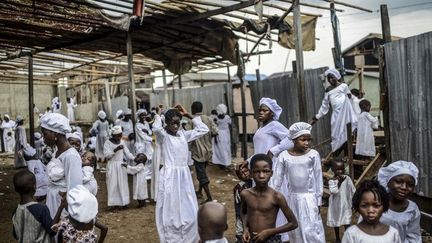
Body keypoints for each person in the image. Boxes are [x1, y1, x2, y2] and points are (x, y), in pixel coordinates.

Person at [154, 104, 209, 243]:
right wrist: (159, 114)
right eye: (173, 123)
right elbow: (156, 128)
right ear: (166, 123)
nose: (176, 125)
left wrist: (188, 115)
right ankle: (171, 237)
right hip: (169, 177)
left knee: (187, 206)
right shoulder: (163, 137)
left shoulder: (184, 135)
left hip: (184, 178)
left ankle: (188, 237)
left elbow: (203, 129)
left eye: (178, 122)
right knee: (170, 209)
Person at [273, 122, 325, 243]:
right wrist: (272, 195)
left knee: (312, 229)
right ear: (294, 139)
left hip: (310, 197)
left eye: (309, 140)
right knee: (296, 229)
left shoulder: (313, 155)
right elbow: (277, 179)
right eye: (303, 140)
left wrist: (318, 199)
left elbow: (318, 178)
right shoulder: (284, 156)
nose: (307, 143)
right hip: (293, 199)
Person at [252, 97, 293, 242]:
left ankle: (279, 235)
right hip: (259, 169)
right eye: (260, 110)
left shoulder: (275, 125)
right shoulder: (261, 128)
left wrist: (274, 150)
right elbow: (259, 150)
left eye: (265, 110)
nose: (261, 113)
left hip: (271, 169)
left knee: (273, 200)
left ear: (272, 113)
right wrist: (247, 161)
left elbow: (292, 138)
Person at [241, 154, 298, 243]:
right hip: (251, 239)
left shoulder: (276, 197)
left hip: (270, 239)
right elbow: (244, 213)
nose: (261, 176)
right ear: (251, 173)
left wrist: (268, 232)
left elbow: (293, 223)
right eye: (257, 171)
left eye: (266, 171)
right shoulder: (245, 194)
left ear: (271, 173)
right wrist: (245, 229)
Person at [41, 113, 83, 218]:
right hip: (53, 201)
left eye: (45, 134)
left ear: (55, 134)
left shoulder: (71, 156)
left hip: (62, 207)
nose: (43, 138)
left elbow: (75, 188)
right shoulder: (57, 152)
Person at [311, 68, 357, 155]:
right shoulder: (328, 90)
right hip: (336, 116)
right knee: (336, 135)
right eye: (329, 79)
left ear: (336, 77)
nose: (331, 80)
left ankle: (348, 154)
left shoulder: (344, 86)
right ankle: (336, 154)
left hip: (346, 114)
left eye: (332, 77)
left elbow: (350, 98)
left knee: (347, 134)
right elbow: (325, 106)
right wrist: (317, 116)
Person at [377, 161, 421, 243]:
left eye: (410, 184)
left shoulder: (412, 209)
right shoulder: (375, 204)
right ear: (388, 181)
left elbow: (414, 236)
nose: (404, 187)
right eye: (398, 181)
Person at [12, 169, 56, 243]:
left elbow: (15, 235)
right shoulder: (41, 209)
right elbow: (53, 230)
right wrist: (61, 207)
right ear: (34, 187)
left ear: (16, 189)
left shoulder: (16, 211)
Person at [187, 101, 218, 203]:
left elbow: (187, 135)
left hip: (198, 152)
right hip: (208, 150)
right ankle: (199, 191)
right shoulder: (208, 119)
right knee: (202, 172)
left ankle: (209, 197)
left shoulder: (192, 121)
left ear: (193, 109)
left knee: (201, 175)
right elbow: (215, 132)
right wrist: (207, 138)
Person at [104, 125, 134, 209]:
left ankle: (124, 202)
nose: (120, 137)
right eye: (118, 135)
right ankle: (114, 204)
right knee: (113, 184)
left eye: (120, 135)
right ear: (113, 135)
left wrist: (135, 158)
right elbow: (107, 156)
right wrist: (115, 149)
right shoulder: (107, 143)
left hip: (121, 165)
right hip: (112, 165)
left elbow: (127, 153)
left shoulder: (122, 141)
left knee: (123, 184)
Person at [327, 159, 355, 243]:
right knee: (336, 221)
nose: (340, 171)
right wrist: (339, 183)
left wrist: (354, 201)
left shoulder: (347, 178)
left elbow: (353, 189)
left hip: (346, 203)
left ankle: (348, 238)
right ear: (333, 170)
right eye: (337, 169)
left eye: (342, 169)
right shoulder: (332, 180)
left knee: (347, 221)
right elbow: (333, 191)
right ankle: (337, 238)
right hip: (336, 205)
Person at [233, 161, 253, 243]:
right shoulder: (239, 187)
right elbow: (238, 206)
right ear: (239, 176)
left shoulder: (255, 182)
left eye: (246, 171)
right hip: (242, 215)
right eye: (241, 173)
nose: (245, 174)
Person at [212, 104, 232, 169]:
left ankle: (222, 162)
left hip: (219, 134)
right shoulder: (227, 117)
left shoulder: (216, 118)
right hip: (225, 134)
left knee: (221, 149)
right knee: (225, 149)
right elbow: (230, 125)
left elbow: (214, 127)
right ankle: (225, 162)